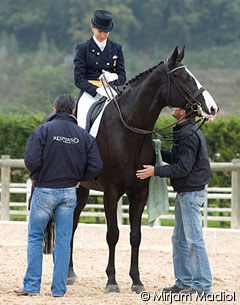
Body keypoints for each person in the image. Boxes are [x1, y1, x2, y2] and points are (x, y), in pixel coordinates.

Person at [14, 94, 103, 297]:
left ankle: (31, 286)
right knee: (63, 240)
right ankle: (59, 289)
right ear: (73, 111)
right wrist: (79, 177)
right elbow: (97, 165)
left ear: (54, 109)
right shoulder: (83, 135)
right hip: (69, 192)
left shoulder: (43, 131)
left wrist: (40, 174)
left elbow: (31, 160)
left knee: (35, 237)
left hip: (44, 190)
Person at [136, 107, 212, 296]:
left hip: (190, 193)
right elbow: (179, 159)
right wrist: (157, 151)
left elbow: (183, 168)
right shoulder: (184, 131)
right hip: (187, 192)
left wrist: (155, 171)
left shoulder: (188, 134)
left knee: (194, 240)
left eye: (178, 106)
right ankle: (184, 282)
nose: (173, 108)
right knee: (179, 240)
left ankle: (202, 285)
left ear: (184, 112)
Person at [73, 9, 126, 130]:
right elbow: (78, 79)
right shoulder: (83, 48)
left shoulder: (116, 48)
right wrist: (96, 90)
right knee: (82, 125)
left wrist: (114, 77)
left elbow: (122, 76)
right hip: (90, 93)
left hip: (111, 91)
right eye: (100, 31)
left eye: (106, 32)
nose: (102, 35)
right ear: (92, 27)